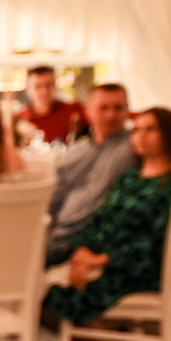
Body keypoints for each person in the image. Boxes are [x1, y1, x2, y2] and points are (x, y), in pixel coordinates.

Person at [46, 108, 171, 341]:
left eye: (151, 129)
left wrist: (101, 261)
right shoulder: (130, 178)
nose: (141, 136)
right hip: (104, 262)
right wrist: (81, 252)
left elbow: (157, 242)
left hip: (138, 268)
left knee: (46, 292)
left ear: (170, 134)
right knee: (37, 285)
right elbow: (99, 221)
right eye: (137, 129)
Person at [45, 81, 136, 262]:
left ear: (127, 110)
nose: (111, 115)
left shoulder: (136, 145)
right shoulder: (74, 152)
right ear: (88, 110)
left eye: (118, 108)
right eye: (103, 108)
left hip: (95, 241)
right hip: (56, 238)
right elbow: (53, 201)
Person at [17, 62, 85, 145]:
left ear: (55, 85)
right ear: (28, 88)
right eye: (38, 86)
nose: (44, 91)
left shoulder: (74, 110)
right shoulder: (20, 119)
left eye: (48, 85)